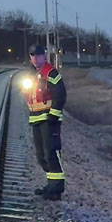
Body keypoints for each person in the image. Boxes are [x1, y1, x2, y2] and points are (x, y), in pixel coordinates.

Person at [26, 44, 67, 200]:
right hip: (36, 118)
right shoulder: (32, 74)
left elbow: (60, 94)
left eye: (38, 55)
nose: (35, 58)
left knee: (51, 152)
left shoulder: (51, 73)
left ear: (44, 56)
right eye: (33, 56)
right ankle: (51, 185)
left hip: (49, 120)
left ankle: (56, 190)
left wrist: (53, 115)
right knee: (41, 155)